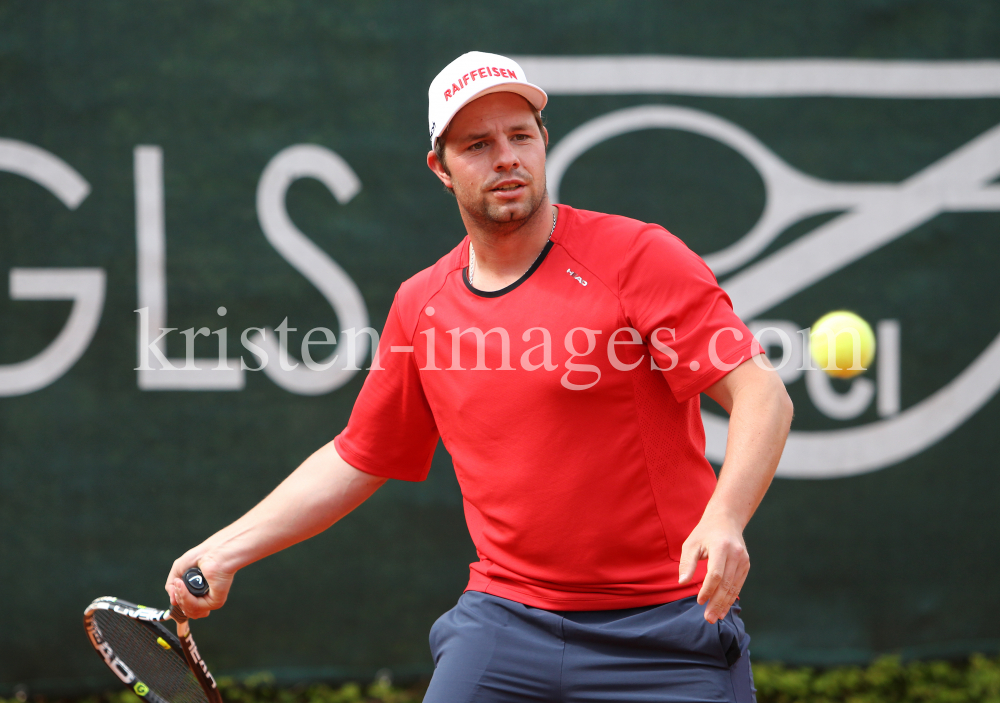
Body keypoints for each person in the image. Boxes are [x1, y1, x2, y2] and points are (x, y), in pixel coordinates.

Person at [166, 51, 793, 703]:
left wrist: (725, 516)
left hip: (665, 628)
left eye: (521, 135)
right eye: (478, 144)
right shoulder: (422, 304)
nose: (506, 158)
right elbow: (359, 455)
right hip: (505, 623)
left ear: (544, 142)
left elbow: (760, 393)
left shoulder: (639, 257)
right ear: (441, 167)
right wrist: (226, 547)